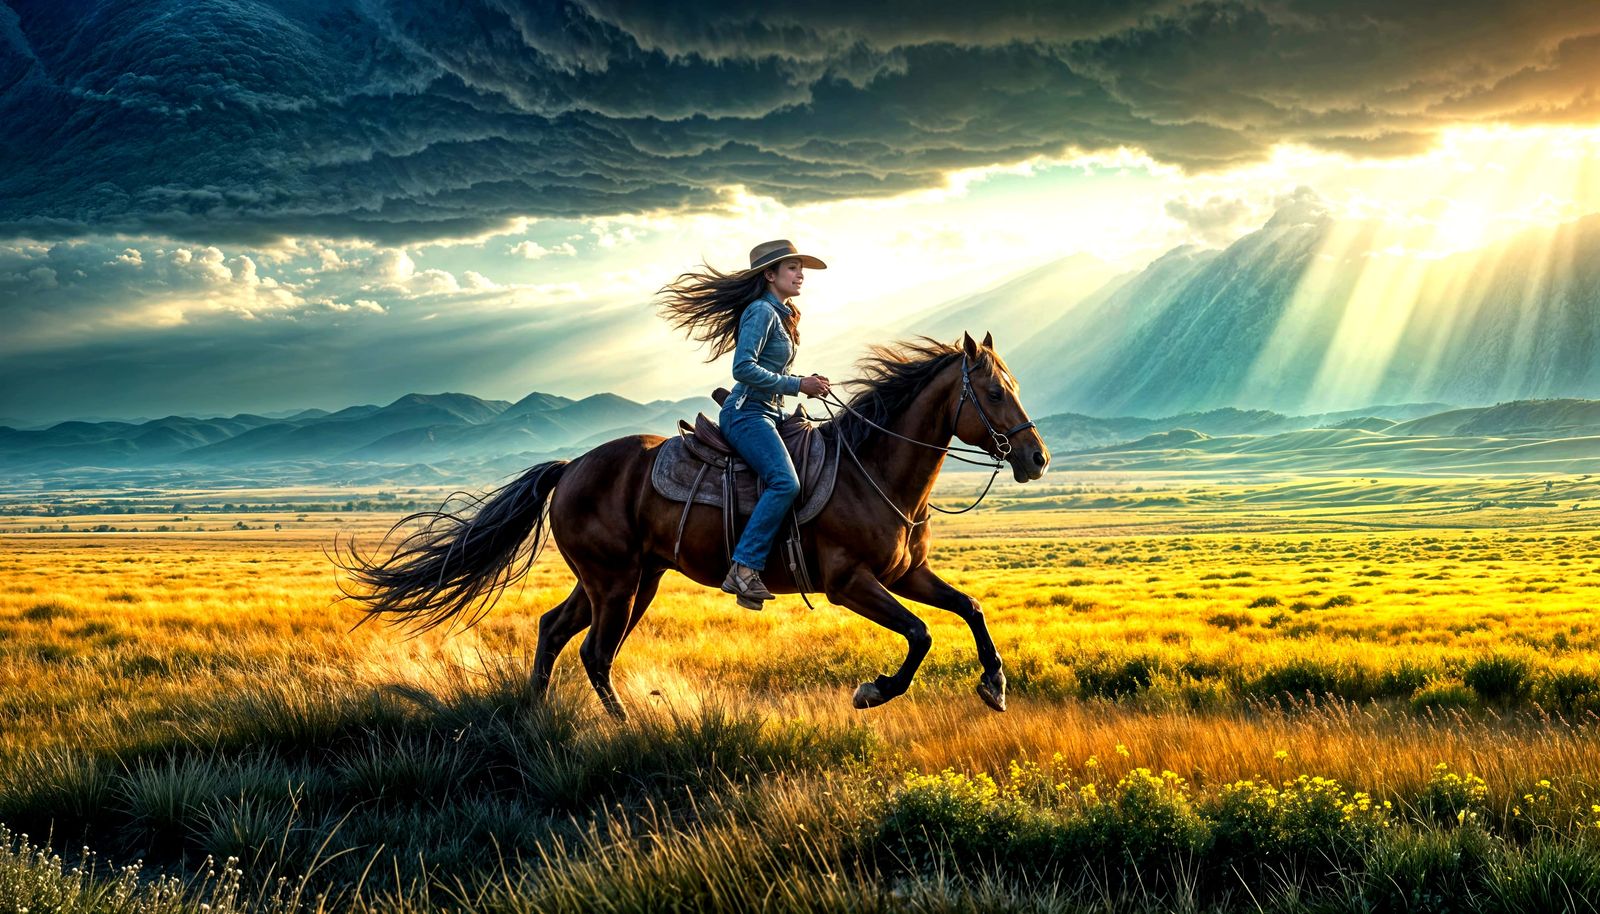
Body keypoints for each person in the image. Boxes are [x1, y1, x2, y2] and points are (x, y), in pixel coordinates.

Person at [657, 240, 832, 609]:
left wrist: (805, 382)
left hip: (772, 413)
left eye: (801, 268)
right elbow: (743, 368)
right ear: (769, 275)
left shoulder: (782, 314)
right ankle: (744, 567)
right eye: (792, 268)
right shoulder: (761, 311)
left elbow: (770, 370)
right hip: (747, 414)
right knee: (785, 482)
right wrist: (797, 385)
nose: (800, 274)